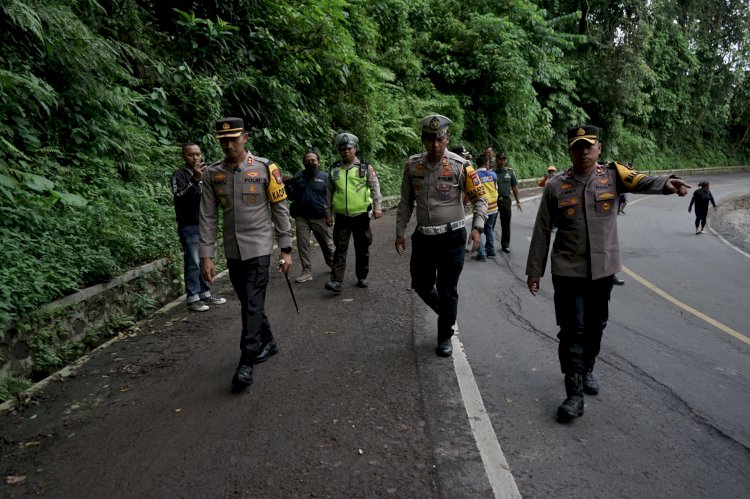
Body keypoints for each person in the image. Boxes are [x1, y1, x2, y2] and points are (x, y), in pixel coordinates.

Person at [526, 125, 690, 422]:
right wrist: (534, 271)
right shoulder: (556, 186)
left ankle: (587, 367)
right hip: (568, 270)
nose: (584, 151)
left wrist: (668, 184)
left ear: (599, 148)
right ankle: (573, 394)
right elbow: (541, 231)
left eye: (589, 145)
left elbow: (642, 180)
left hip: (603, 270)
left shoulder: (613, 176)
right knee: (571, 330)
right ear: (570, 151)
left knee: (596, 325)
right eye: (578, 146)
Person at [199, 117, 293, 392]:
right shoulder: (212, 174)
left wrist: (286, 249)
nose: (229, 145)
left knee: (252, 302)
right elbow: (207, 216)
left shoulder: (265, 168)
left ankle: (246, 361)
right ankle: (269, 340)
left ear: (245, 138)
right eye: (223, 140)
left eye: (234, 139)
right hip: (232, 250)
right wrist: (206, 256)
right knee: (248, 302)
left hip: (260, 247)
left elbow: (280, 209)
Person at [395, 114, 488, 357]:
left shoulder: (461, 166)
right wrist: (399, 232)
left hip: (452, 237)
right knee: (421, 284)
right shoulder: (413, 165)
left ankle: (444, 334)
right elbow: (405, 202)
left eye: (440, 139)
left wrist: (477, 227)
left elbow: (480, 198)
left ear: (447, 139)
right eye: (430, 139)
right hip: (424, 237)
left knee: (447, 288)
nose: (435, 144)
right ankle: (448, 314)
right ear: (423, 140)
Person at [171, 143, 226, 312]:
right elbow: (179, 198)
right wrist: (194, 180)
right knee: (193, 260)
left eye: (197, 154)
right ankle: (193, 296)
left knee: (205, 259)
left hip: (206, 224)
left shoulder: (208, 172)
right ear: (183, 157)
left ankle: (205, 293)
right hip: (189, 224)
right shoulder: (179, 175)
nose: (195, 158)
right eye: (190, 155)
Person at [324, 133, 382, 293]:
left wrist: (378, 206)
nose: (345, 152)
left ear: (355, 149)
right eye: (342, 149)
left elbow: (375, 187)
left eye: (348, 148)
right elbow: (329, 193)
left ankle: (362, 276)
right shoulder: (335, 169)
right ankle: (336, 281)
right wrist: (328, 214)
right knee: (340, 248)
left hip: (361, 216)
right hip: (342, 216)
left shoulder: (364, 167)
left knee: (362, 247)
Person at [284, 149, 335, 282]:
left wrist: (330, 215)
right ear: (303, 162)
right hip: (301, 217)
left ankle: (334, 266)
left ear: (318, 162)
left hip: (320, 216)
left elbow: (331, 198)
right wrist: (287, 185)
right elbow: (291, 196)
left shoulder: (325, 177)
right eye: (307, 160)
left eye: (313, 160)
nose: (310, 162)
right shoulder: (298, 176)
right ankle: (306, 271)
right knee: (303, 244)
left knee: (326, 243)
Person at [472, 155, 499, 261]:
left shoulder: (474, 175)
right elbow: (496, 188)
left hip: (482, 207)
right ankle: (491, 251)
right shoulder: (493, 174)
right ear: (486, 163)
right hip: (493, 206)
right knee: (489, 229)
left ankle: (481, 254)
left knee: (477, 230)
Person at [494, 152, 522, 253]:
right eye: (500, 159)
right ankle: (490, 245)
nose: (502, 161)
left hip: (506, 200)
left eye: (504, 159)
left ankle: (505, 245)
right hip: (494, 200)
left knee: (505, 223)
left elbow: (514, 188)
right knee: (490, 223)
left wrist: (518, 201)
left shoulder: (510, 172)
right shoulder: (492, 173)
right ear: (496, 160)